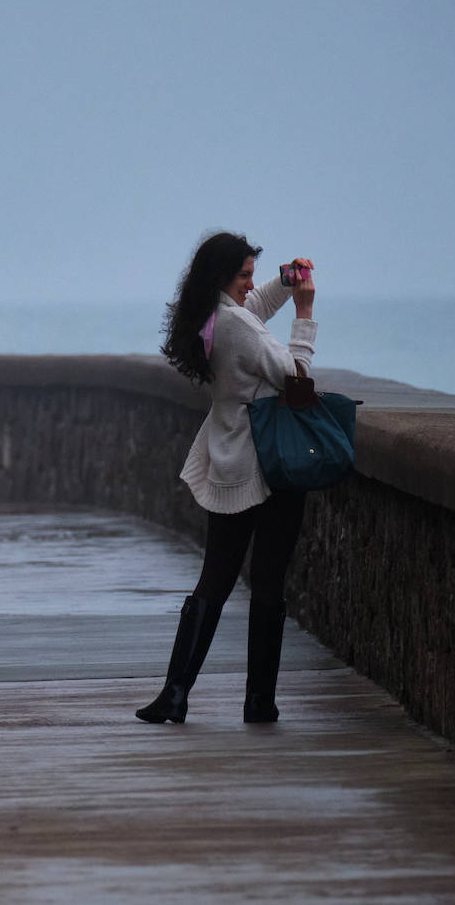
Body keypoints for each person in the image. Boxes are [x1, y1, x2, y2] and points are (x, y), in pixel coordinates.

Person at [135, 231, 317, 725]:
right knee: (268, 582)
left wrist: (281, 282)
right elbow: (297, 381)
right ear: (222, 277)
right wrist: (304, 313)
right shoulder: (237, 326)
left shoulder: (210, 318)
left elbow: (250, 310)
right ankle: (259, 702)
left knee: (214, 579)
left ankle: (175, 693)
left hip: (231, 461)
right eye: (243, 275)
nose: (249, 284)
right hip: (271, 466)